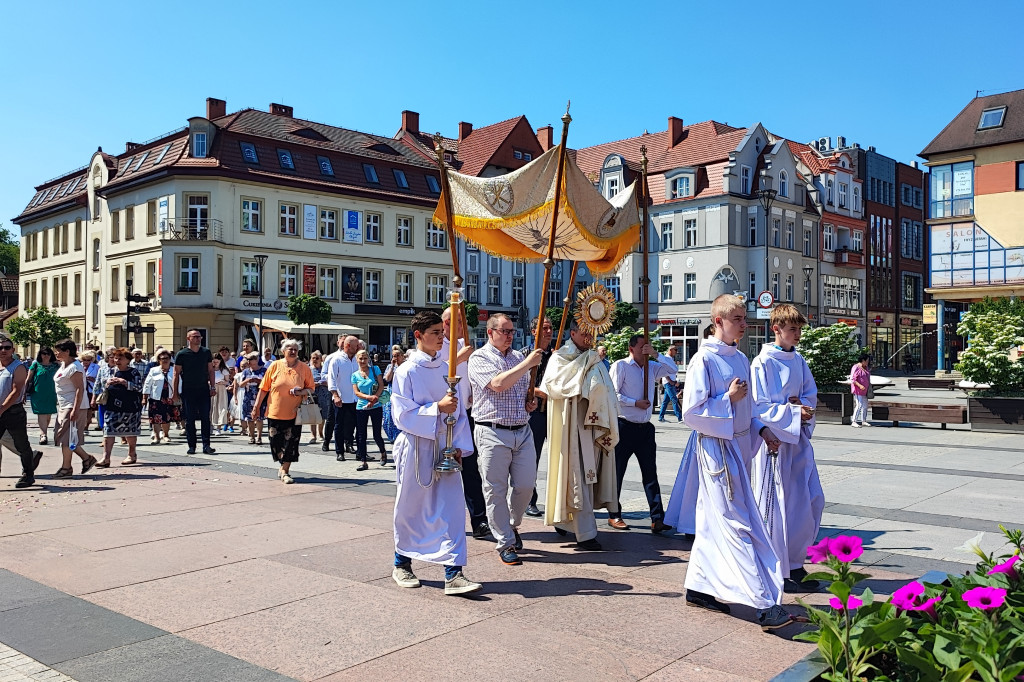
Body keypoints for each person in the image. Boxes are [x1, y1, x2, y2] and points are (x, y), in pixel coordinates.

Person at [679, 294, 793, 631]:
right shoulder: (704, 360)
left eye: (744, 318)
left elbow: (752, 407)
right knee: (737, 525)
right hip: (717, 451)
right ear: (719, 322)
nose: (745, 324)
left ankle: (699, 587)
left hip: (740, 446)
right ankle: (763, 605)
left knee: (714, 522)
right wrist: (727, 399)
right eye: (738, 319)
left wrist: (762, 429)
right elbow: (691, 413)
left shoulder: (741, 359)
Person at [390, 310, 481, 596]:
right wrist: (436, 408)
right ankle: (401, 563)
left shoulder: (448, 367)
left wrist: (459, 446)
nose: (442, 338)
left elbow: (460, 410)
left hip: (445, 445)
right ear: (418, 336)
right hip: (417, 444)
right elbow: (401, 414)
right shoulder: (407, 370)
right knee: (411, 507)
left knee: (452, 509)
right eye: (436, 333)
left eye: (443, 333)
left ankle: (454, 573)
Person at [751, 304, 824, 593]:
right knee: (777, 506)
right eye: (792, 329)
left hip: (798, 442)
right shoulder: (762, 363)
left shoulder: (799, 360)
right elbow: (758, 406)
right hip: (775, 443)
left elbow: (810, 394)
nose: (797, 334)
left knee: (806, 502)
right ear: (776, 329)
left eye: (799, 329)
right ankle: (776, 569)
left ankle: (795, 562)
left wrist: (804, 410)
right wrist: (792, 412)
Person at [467, 314, 543, 565]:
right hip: (492, 431)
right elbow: (498, 384)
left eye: (512, 331)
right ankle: (505, 542)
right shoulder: (479, 358)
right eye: (505, 331)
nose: (510, 335)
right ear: (490, 332)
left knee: (525, 485)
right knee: (495, 489)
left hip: (521, 429)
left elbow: (521, 391)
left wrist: (529, 402)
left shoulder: (518, 357)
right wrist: (527, 364)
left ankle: (512, 524)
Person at [539, 318, 619, 550]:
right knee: (576, 476)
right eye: (584, 333)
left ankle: (566, 523)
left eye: (591, 333)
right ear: (572, 333)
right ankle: (586, 533)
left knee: (588, 475)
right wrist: (589, 364)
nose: (589, 337)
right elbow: (555, 386)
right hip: (571, 424)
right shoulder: (560, 357)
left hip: (593, 425)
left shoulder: (593, 357)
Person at [606, 335, 677, 533]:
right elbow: (613, 394)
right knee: (618, 472)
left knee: (650, 473)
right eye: (641, 347)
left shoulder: (652, 367)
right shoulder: (621, 366)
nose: (645, 350)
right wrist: (634, 402)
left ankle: (657, 518)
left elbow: (672, 369)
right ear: (631, 349)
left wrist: (655, 354)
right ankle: (614, 514)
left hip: (645, 428)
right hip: (625, 426)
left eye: (648, 346)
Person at [440, 306, 491, 541]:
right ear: (446, 324)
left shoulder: (466, 344)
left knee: (471, 470)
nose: (463, 327)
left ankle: (479, 519)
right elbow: (438, 371)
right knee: (441, 470)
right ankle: (441, 520)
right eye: (458, 322)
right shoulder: (438, 345)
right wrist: (460, 358)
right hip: (442, 416)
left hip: (466, 413)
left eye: (463, 323)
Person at [251, 339, 314, 484]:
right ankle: (282, 464)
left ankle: (285, 470)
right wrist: (256, 407)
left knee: (291, 443)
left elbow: (311, 388)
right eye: (290, 349)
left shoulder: (304, 368)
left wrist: (301, 392)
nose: (292, 351)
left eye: (295, 349)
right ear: (283, 351)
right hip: (275, 411)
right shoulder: (274, 366)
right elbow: (264, 388)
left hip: (295, 412)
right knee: (276, 442)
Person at [0, 336, 43, 488]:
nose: (3, 350)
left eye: (6, 347)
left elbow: (16, 391)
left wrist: (2, 408)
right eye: (1, 348)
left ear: (13, 350)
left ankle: (28, 474)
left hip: (12, 412)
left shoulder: (18, 367)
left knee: (21, 444)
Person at [51, 339, 97, 478]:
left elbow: (79, 389)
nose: (56, 353)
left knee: (66, 437)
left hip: (72, 405)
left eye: (59, 350)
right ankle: (86, 458)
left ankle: (67, 467)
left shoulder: (75, 367)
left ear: (67, 351)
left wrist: (75, 410)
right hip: (64, 404)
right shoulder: (64, 365)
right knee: (64, 436)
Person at [95, 347, 144, 467]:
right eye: (115, 358)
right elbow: (102, 385)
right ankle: (106, 458)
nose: (117, 360)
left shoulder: (133, 372)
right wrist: (108, 383)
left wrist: (125, 382)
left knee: (130, 432)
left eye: (120, 358)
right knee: (108, 432)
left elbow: (139, 387)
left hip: (130, 406)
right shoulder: (111, 370)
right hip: (112, 406)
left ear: (128, 360)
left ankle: (131, 454)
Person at [525, 316, 554, 518]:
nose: (548, 332)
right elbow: (519, 382)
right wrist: (536, 390)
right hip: (534, 413)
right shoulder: (526, 354)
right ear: (534, 331)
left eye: (550, 328)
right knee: (531, 459)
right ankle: (529, 500)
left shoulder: (557, 355)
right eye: (544, 328)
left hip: (554, 411)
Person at [171, 329, 217, 455]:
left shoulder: (206, 352)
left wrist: (213, 387)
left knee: (205, 418)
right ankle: (192, 446)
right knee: (190, 419)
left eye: (199, 336)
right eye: (195, 336)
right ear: (188, 338)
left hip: (203, 389)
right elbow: (176, 374)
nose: (198, 339)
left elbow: (211, 371)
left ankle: (206, 445)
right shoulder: (182, 354)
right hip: (188, 390)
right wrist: (175, 393)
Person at [351, 349, 387, 470]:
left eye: (365, 358)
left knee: (377, 434)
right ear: (357, 360)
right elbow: (356, 392)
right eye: (360, 358)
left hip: (376, 405)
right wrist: (368, 397)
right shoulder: (355, 375)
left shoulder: (375, 369)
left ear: (368, 359)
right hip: (362, 407)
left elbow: (381, 385)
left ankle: (383, 453)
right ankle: (363, 461)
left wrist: (375, 397)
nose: (362, 361)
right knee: (361, 435)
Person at [326, 335, 359, 460]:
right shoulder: (336, 360)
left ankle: (353, 447)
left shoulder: (357, 359)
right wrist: (335, 395)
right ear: (348, 346)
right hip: (341, 398)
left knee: (354, 425)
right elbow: (332, 379)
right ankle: (339, 452)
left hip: (355, 398)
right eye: (356, 346)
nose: (358, 348)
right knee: (339, 425)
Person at [143, 350, 179, 444]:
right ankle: (156, 436)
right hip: (156, 397)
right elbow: (147, 384)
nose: (165, 360)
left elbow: (179, 383)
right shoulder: (153, 370)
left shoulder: (174, 369)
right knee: (155, 418)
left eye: (167, 358)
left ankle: (166, 435)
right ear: (159, 360)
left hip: (169, 397)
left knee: (166, 417)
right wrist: (144, 397)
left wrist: (177, 395)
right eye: (162, 358)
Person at [28, 347, 58, 445]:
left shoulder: (55, 365)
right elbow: (28, 379)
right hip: (38, 393)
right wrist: (23, 393)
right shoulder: (36, 364)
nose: (46, 356)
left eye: (48, 354)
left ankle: (44, 432)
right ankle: (43, 434)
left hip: (51, 393)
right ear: (40, 355)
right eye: (44, 353)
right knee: (41, 413)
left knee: (48, 414)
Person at [240, 352, 266, 444]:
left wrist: (259, 381)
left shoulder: (264, 370)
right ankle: (252, 436)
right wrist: (248, 380)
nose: (250, 362)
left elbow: (268, 383)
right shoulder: (246, 372)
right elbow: (241, 385)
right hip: (248, 397)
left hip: (260, 397)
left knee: (259, 418)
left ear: (257, 360)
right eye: (249, 360)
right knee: (249, 418)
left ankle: (259, 437)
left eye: (252, 360)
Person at [381, 347, 404, 443]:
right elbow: (387, 379)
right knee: (388, 415)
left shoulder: (406, 366)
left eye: (398, 355)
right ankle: (391, 436)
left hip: (402, 392)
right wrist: (392, 367)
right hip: (391, 392)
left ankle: (400, 436)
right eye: (394, 356)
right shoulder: (390, 367)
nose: (396, 358)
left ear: (402, 356)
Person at [309, 351, 330, 444]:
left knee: (322, 416)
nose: (315, 360)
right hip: (312, 395)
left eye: (317, 358)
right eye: (313, 358)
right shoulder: (308, 370)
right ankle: (313, 436)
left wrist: (325, 383)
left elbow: (331, 381)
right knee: (312, 416)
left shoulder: (325, 370)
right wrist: (315, 384)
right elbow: (305, 383)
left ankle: (321, 434)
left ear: (321, 359)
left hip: (324, 395)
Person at [658, 346, 683, 422]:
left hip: (670, 382)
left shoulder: (670, 359)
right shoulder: (666, 359)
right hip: (668, 383)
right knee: (674, 399)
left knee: (665, 401)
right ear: (670, 350)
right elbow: (664, 371)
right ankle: (679, 417)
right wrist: (670, 381)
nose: (676, 351)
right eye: (675, 350)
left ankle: (660, 417)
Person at [210, 355, 231, 435]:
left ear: (220, 361)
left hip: (221, 390)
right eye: (214, 362)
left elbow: (227, 381)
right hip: (211, 389)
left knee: (221, 408)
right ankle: (210, 426)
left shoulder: (224, 370)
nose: (215, 363)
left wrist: (223, 382)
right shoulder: (209, 369)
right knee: (211, 407)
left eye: (217, 362)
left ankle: (218, 428)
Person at [850, 354, 871, 428]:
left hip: (865, 390)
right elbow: (852, 379)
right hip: (858, 390)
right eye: (867, 360)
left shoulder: (866, 367)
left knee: (865, 405)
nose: (868, 362)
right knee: (859, 405)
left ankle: (863, 420)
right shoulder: (855, 367)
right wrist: (860, 385)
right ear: (863, 360)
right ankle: (854, 421)